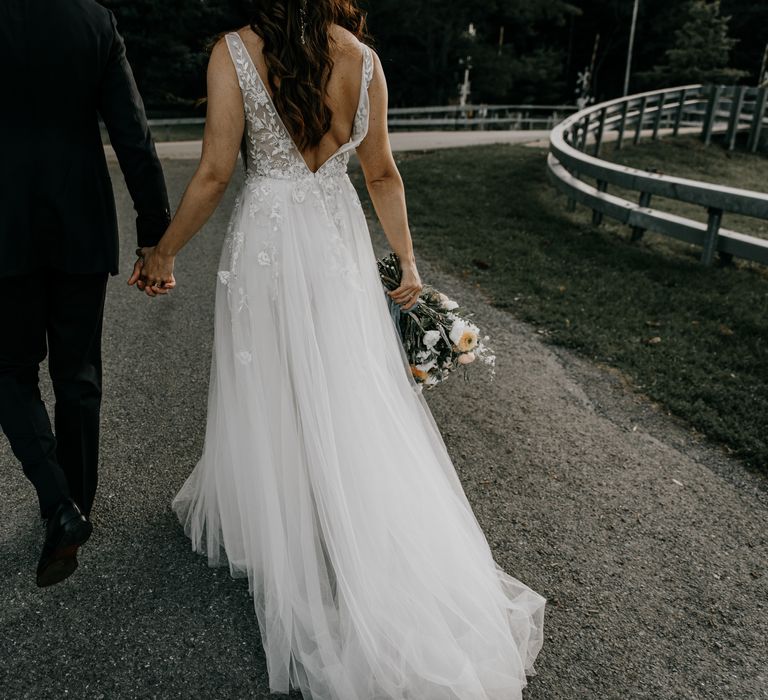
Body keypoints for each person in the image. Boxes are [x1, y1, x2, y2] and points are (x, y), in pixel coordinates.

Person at [132, 1, 545, 697]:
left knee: (267, 381)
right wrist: (406, 264)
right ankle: (339, 521)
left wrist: (163, 252)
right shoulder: (365, 60)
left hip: (267, 239)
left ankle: (280, 523)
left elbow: (212, 173)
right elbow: (382, 173)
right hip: (335, 239)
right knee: (345, 380)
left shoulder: (233, 51)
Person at [0, 0, 171, 587]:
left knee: (8, 369)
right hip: (81, 222)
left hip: (4, 227)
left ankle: (59, 505)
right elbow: (132, 132)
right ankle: (76, 506)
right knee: (78, 375)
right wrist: (155, 230)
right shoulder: (93, 20)